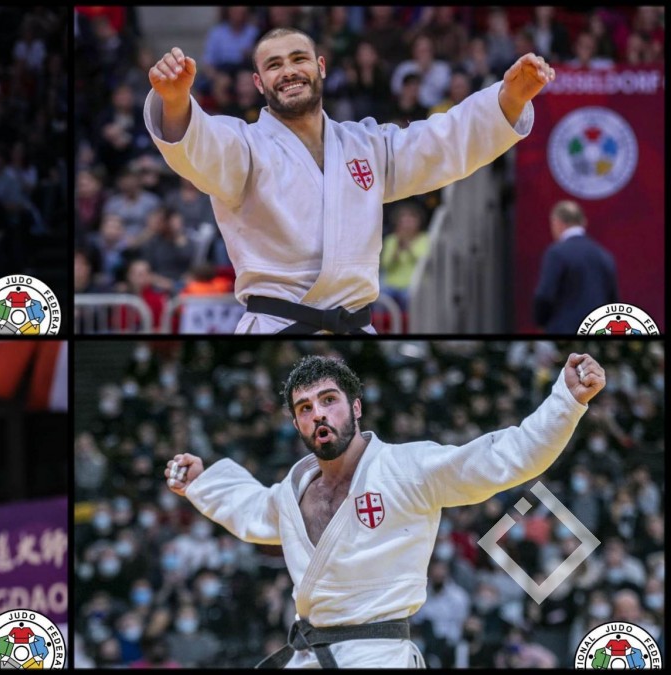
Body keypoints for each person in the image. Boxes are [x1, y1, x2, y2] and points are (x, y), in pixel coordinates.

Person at [163, 352, 605, 667]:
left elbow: (505, 456)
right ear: (296, 423)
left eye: (329, 400)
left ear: (355, 407)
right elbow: (251, 509)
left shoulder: (407, 468)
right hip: (308, 654)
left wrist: (566, 402)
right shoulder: (293, 490)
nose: (318, 414)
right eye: (305, 408)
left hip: (379, 654)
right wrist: (203, 482)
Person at [144, 29, 554, 333]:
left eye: (299, 59)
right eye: (274, 65)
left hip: (356, 330)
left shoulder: (366, 145)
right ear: (258, 82)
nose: (289, 71)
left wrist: (509, 99)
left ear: (320, 67)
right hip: (275, 326)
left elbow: (440, 143)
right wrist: (176, 101)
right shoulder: (245, 146)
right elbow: (202, 147)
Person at [533, 199, 619, 334]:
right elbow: (613, 301)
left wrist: (541, 323)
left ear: (557, 223)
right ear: (584, 222)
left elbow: (544, 296)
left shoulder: (557, 253)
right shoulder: (603, 255)